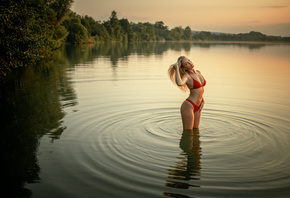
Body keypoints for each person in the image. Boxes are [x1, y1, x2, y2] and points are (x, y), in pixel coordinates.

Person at [168, 56, 206, 130]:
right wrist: (176, 69)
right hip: (189, 106)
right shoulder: (187, 76)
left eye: (189, 60)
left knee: (196, 129)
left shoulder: (198, 72)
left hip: (199, 105)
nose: (189, 63)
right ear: (185, 68)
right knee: (188, 132)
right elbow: (179, 83)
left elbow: (200, 89)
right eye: (186, 63)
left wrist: (202, 100)